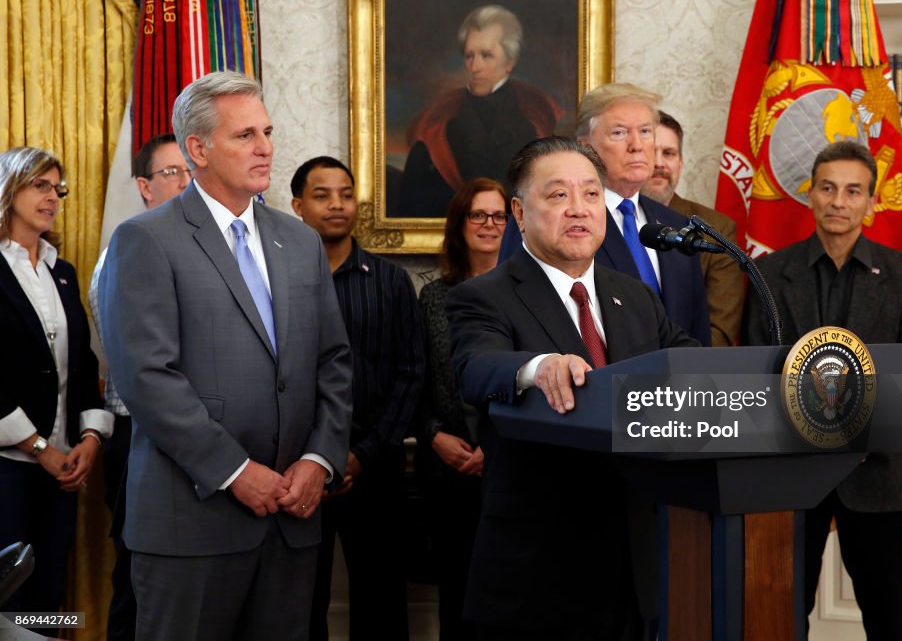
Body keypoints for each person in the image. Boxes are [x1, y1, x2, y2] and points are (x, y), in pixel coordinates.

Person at [98, 71, 353, 641]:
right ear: (198, 149)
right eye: (244, 136)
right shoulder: (146, 239)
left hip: (291, 517)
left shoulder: (300, 241)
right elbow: (147, 378)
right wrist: (235, 471)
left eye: (266, 131)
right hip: (191, 526)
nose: (265, 147)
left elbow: (333, 361)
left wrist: (320, 459)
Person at [447, 137, 700, 640]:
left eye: (590, 193)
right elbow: (476, 367)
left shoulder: (635, 296)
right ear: (520, 212)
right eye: (558, 196)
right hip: (538, 569)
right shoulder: (484, 295)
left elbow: (689, 361)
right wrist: (538, 367)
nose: (579, 209)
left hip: (631, 559)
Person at [743, 141, 902, 641]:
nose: (839, 201)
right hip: (792, 474)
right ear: (810, 195)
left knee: (887, 618)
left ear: (872, 202)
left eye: (853, 191)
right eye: (828, 188)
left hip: (878, 475)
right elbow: (758, 375)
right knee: (780, 615)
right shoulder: (768, 274)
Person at [289, 156, 425, 641]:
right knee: (301, 601)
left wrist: (362, 456)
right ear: (297, 205)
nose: (337, 205)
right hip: (295, 470)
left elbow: (411, 374)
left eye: (346, 194)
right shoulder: (281, 281)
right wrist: (316, 459)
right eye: (322, 195)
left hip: (375, 465)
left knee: (382, 601)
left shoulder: (389, 281)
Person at [500, 83, 711, 346]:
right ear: (585, 145)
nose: (637, 145)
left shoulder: (675, 226)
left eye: (645, 131)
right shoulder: (546, 219)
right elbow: (514, 308)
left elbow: (696, 331)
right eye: (620, 132)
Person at [0, 146, 113, 613]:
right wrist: (38, 448)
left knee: (48, 595)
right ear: (9, 190)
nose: (53, 198)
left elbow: (83, 365)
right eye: (40, 186)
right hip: (8, 464)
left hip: (65, 465)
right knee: (9, 597)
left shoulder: (61, 271)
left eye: (58, 189)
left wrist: (90, 437)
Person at [88, 132, 189, 641]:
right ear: (145, 187)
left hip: (191, 436)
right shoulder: (129, 251)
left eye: (191, 172)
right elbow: (140, 365)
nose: (185, 183)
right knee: (139, 577)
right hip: (141, 436)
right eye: (172, 173)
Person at [415, 177, 508, 641]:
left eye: (498, 216)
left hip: (510, 465)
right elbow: (419, 378)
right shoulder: (434, 296)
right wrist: (433, 434)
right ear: (460, 224)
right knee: (456, 589)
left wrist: (497, 447)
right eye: (478, 215)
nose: (489, 225)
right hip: (447, 465)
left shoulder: (525, 296)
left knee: (507, 593)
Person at [391, 4, 563, 218]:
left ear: (509, 62)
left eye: (486, 55)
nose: (474, 67)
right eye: (469, 56)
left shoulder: (534, 116)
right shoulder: (439, 120)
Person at [640, 111, 744, 346]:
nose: (659, 163)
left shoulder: (716, 229)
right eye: (650, 152)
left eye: (668, 153)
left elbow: (720, 329)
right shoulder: (605, 220)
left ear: (680, 162)